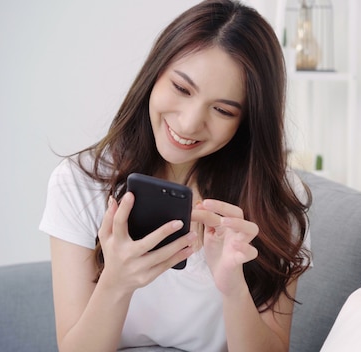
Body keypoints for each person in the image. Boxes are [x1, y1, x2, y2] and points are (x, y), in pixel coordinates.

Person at [39, 1, 312, 351]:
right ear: (155, 73)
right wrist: (116, 283)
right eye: (182, 89)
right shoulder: (79, 182)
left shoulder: (276, 198)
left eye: (223, 110)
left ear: (246, 122)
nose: (188, 123)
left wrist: (233, 287)